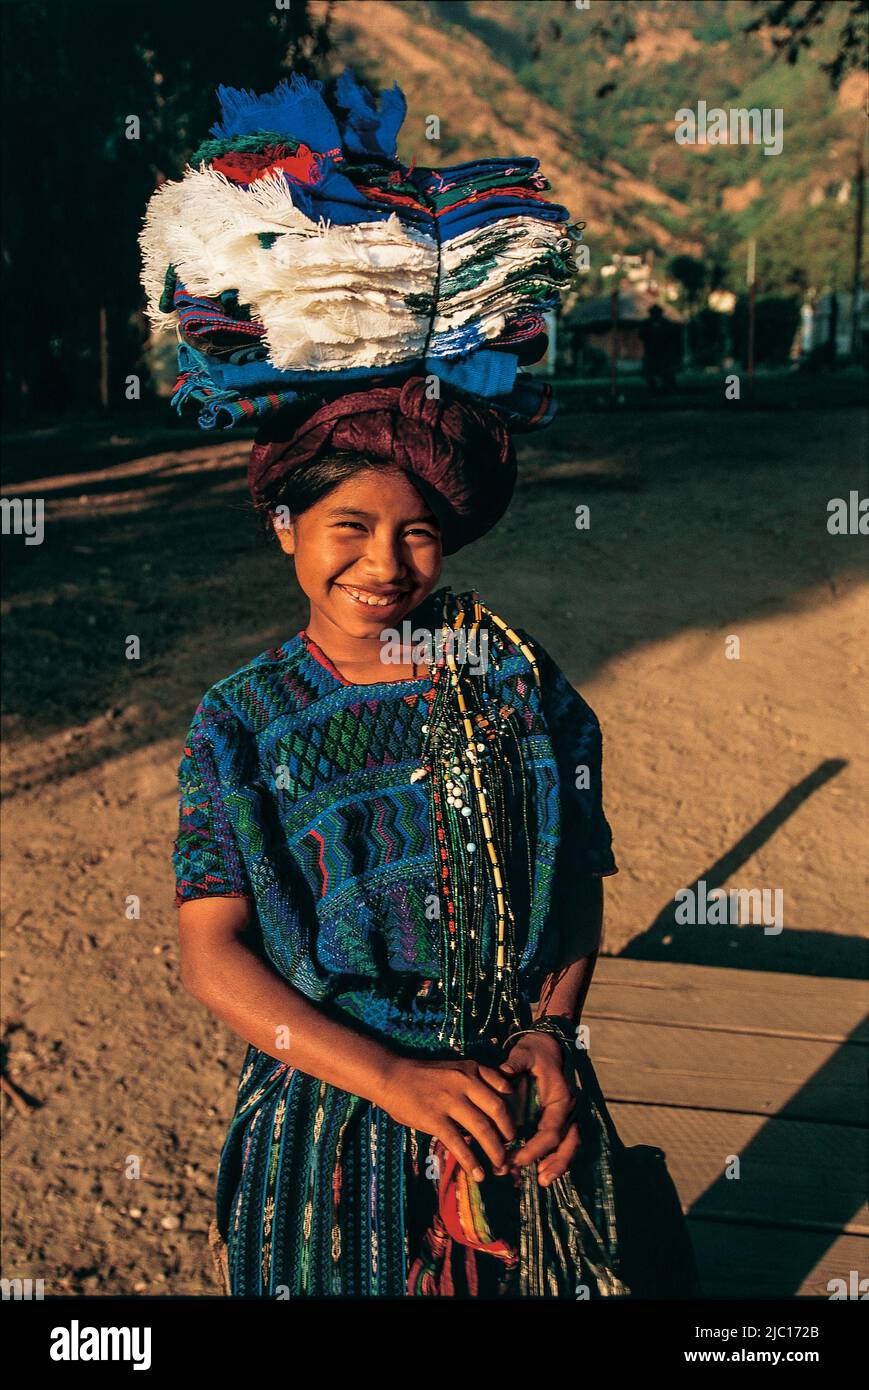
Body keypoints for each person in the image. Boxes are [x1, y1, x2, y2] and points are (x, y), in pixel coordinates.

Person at [173, 377, 620, 1297]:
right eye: (349, 526)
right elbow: (212, 955)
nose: (384, 564)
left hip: (515, 1105)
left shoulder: (518, 689)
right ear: (284, 524)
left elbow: (575, 880)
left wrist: (552, 1034)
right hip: (331, 1114)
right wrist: (391, 1078)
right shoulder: (240, 724)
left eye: (415, 532)